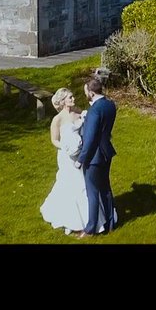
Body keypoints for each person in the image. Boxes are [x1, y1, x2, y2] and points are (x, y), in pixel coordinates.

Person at [39, 88, 112, 236]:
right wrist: (65, 147)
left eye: (72, 96)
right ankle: (72, 219)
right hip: (67, 157)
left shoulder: (78, 111)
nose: (73, 99)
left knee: (85, 186)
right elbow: (54, 140)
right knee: (71, 185)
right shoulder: (57, 119)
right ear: (63, 101)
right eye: (70, 97)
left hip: (81, 155)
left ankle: (92, 220)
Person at [75, 76, 118, 237]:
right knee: (106, 188)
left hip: (94, 157)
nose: (85, 94)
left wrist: (81, 159)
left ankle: (91, 229)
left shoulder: (94, 110)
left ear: (91, 93)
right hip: (107, 152)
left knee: (92, 192)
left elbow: (91, 138)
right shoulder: (110, 105)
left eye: (86, 91)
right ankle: (110, 223)